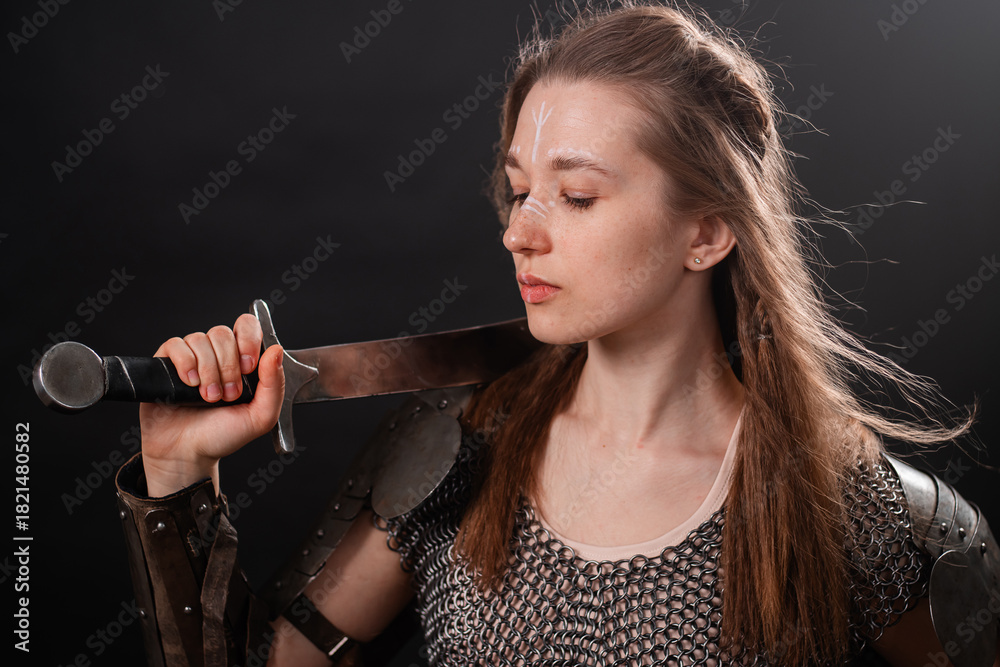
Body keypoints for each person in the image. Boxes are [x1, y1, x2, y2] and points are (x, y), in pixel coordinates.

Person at [114, 2, 999, 666]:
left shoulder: (848, 506)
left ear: (708, 231)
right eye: (519, 189)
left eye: (575, 197)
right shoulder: (453, 451)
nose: (520, 232)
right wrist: (179, 476)